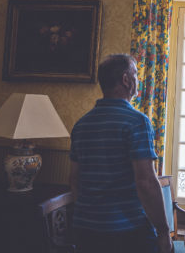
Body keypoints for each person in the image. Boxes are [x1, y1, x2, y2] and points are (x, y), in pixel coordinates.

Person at [69, 54, 173, 253]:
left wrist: (91, 215)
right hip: (126, 232)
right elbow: (146, 183)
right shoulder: (136, 122)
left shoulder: (81, 125)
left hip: (85, 231)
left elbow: (74, 180)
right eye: (135, 74)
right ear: (126, 80)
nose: (138, 80)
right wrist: (163, 232)